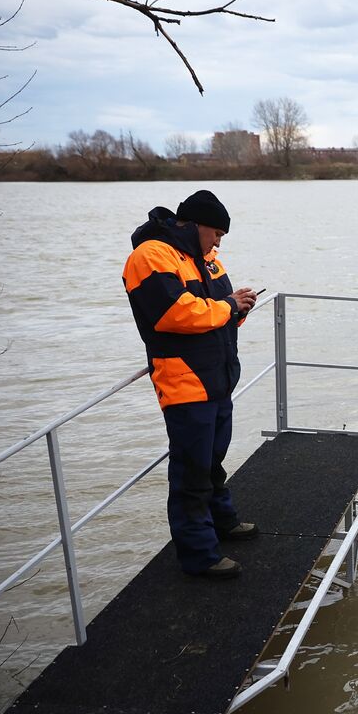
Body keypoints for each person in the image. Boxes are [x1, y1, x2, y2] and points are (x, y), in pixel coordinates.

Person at [122, 190, 259, 578]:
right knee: (191, 472)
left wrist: (238, 306)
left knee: (212, 460)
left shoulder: (207, 259)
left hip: (218, 377)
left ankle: (222, 522)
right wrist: (229, 306)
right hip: (184, 381)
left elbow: (217, 312)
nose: (218, 242)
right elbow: (173, 314)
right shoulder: (149, 256)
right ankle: (200, 556)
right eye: (216, 233)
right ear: (196, 224)